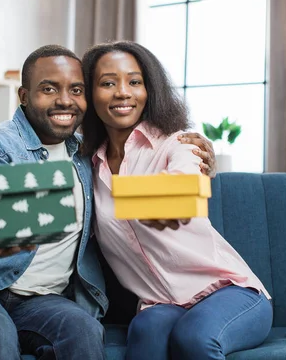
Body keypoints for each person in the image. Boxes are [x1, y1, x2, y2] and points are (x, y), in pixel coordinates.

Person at [0, 44, 216, 360]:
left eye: (76, 90)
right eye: (49, 89)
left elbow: (150, 159)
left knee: (84, 331)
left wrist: (199, 150)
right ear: (24, 96)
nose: (64, 100)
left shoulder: (88, 155)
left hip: (42, 299)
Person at [79, 41, 273, 360]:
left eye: (135, 81)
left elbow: (185, 181)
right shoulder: (87, 164)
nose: (123, 92)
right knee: (145, 330)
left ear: (149, 89)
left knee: (194, 337)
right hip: (162, 303)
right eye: (108, 83)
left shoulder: (177, 144)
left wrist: (172, 198)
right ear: (90, 93)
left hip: (230, 292)